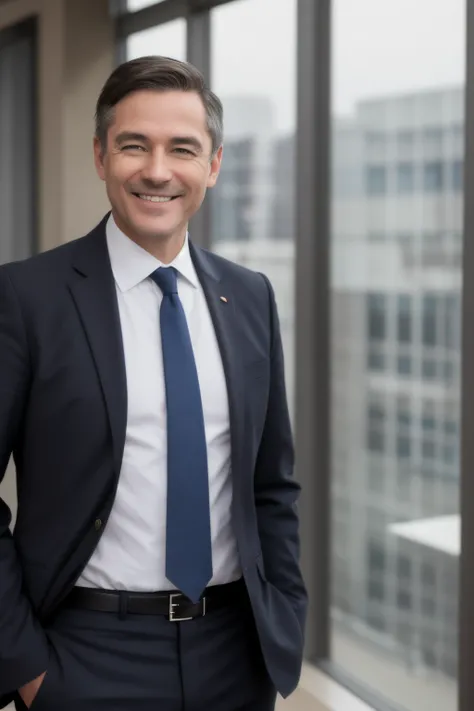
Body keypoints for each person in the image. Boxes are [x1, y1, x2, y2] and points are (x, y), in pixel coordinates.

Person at [0, 55, 307, 711]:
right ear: (100, 155)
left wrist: (284, 614)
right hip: (83, 655)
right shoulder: (28, 298)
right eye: (134, 145)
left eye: (183, 149)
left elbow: (271, 484)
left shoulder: (250, 297)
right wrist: (26, 665)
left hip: (235, 654)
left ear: (214, 165)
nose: (158, 170)